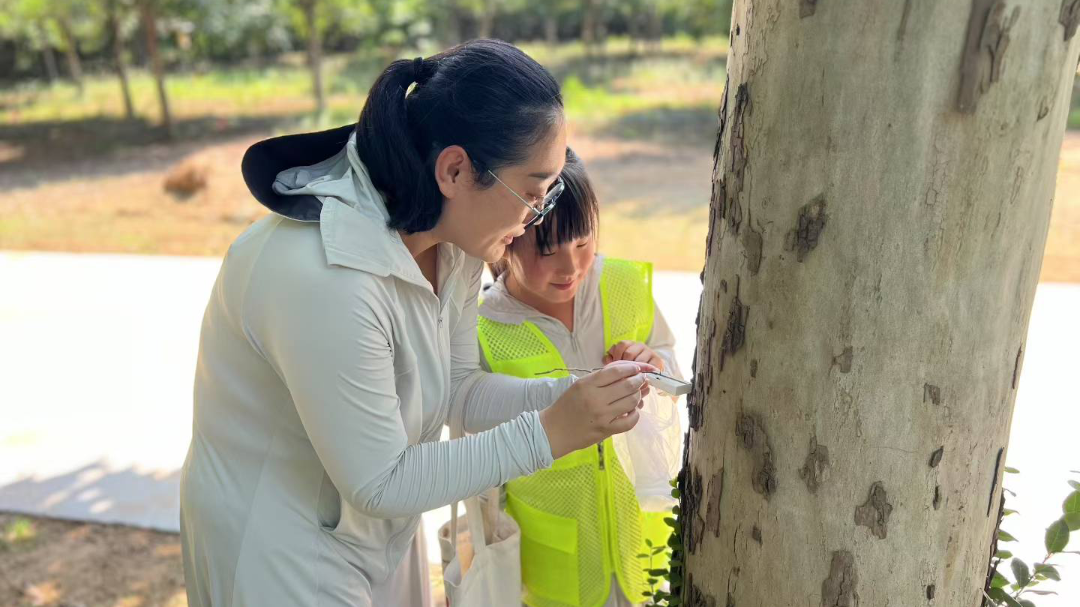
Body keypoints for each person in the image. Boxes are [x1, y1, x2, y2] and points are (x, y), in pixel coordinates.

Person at [178, 39, 655, 607]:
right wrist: (552, 431)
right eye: (532, 193)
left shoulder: (452, 243)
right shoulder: (328, 275)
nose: (534, 218)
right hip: (280, 550)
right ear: (454, 170)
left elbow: (458, 388)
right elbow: (381, 479)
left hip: (376, 535)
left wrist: (572, 395)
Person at [478, 148, 683, 607]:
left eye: (583, 243)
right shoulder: (486, 329)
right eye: (547, 250)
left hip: (641, 546)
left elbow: (672, 369)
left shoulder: (625, 285)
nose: (569, 267)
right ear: (506, 239)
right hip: (552, 563)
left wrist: (656, 364)